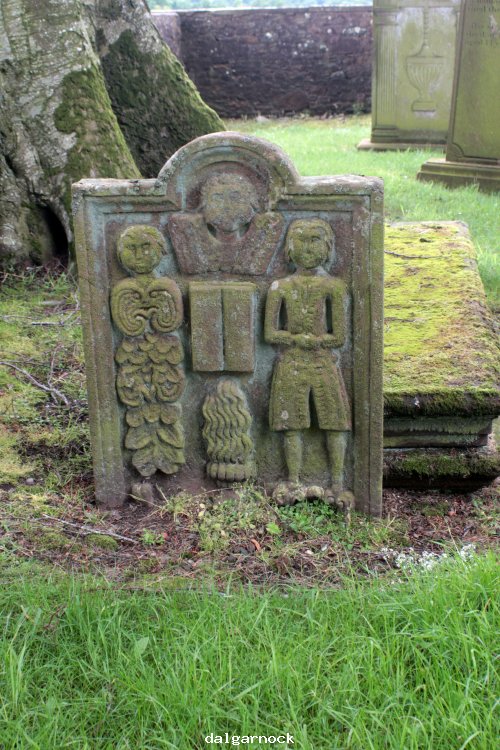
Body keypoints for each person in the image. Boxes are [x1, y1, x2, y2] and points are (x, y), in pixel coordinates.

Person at [264, 218, 352, 505]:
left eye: (315, 240)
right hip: (291, 361)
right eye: (301, 240)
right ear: (289, 247)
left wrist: (314, 341)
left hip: (323, 361)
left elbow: (338, 335)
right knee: (292, 424)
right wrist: (293, 338)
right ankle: (293, 480)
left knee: (334, 421)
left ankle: (338, 482)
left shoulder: (333, 287)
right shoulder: (280, 287)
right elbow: (270, 332)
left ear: (327, 247)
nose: (308, 248)